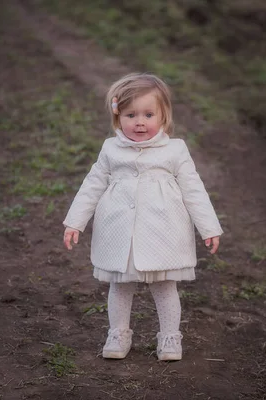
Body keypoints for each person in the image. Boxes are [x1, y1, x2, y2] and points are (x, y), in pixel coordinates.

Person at [62, 72, 223, 361]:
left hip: (163, 229)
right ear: (117, 116)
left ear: (163, 116)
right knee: (120, 285)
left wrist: (209, 227)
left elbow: (193, 189)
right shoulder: (111, 149)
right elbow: (93, 183)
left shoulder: (174, 150)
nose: (139, 122)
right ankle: (118, 333)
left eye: (148, 114)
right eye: (130, 114)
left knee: (164, 285)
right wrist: (75, 221)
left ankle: (170, 338)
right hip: (119, 229)